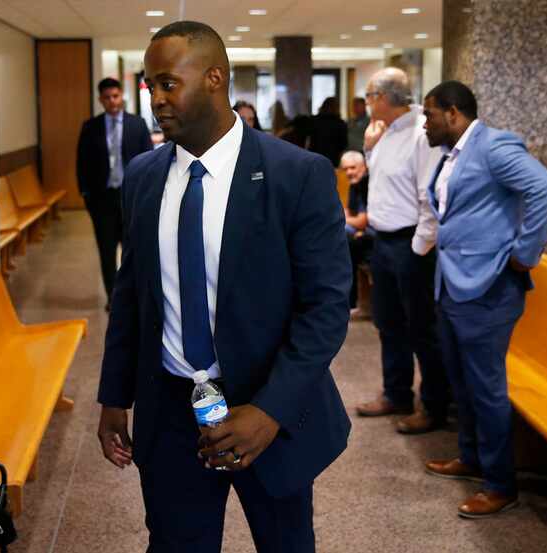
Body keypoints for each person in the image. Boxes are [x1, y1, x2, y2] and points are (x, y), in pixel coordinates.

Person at [96, 21, 351, 552]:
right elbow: (131, 296)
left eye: (169, 83)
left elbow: (325, 307)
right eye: (150, 86)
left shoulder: (296, 174)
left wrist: (271, 411)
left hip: (265, 406)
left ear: (214, 78)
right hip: (169, 409)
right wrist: (115, 396)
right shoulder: (144, 176)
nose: (156, 99)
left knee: (285, 542)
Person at [421, 81, 547, 518]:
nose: (425, 123)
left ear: (454, 113)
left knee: (486, 388)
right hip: (454, 284)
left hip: (488, 288)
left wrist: (524, 254)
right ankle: (472, 458)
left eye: (429, 115)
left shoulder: (494, 147)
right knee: (462, 381)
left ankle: (501, 485)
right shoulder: (452, 155)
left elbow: (545, 189)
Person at [356, 67, 450, 435]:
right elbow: (381, 183)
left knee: (421, 328)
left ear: (384, 98)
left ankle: (433, 405)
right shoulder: (384, 133)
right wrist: (368, 147)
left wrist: (418, 247)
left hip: (411, 243)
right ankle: (396, 393)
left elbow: (429, 198)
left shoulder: (420, 135)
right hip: (383, 241)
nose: (366, 103)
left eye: (368, 96)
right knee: (388, 323)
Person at [76, 78, 154, 310]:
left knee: (133, 249)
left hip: (131, 198)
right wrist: (86, 196)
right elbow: (82, 164)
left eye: (116, 96)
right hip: (102, 200)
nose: (112, 101)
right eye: (107, 97)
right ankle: (114, 297)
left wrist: (145, 195)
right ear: (101, 99)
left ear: (122, 96)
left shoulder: (137, 124)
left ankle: (134, 294)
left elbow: (148, 160)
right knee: (106, 251)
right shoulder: (90, 127)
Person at [340, 151, 374, 315]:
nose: (349, 173)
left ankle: (350, 301)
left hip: (376, 234)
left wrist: (340, 220)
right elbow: (349, 212)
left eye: (353, 168)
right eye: (345, 169)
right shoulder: (355, 184)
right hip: (360, 233)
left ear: (364, 166)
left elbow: (363, 221)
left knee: (344, 240)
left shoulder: (368, 183)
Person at [309, 96, 348, 167]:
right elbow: (343, 144)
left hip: (314, 156)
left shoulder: (314, 121)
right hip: (332, 158)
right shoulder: (340, 123)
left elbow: (310, 140)